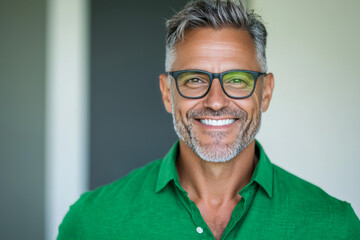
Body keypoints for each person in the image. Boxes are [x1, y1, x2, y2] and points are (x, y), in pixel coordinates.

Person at [57, 0, 360, 239]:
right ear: (167, 93)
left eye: (238, 80)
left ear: (265, 93)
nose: (216, 101)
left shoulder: (335, 226)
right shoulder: (91, 224)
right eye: (194, 80)